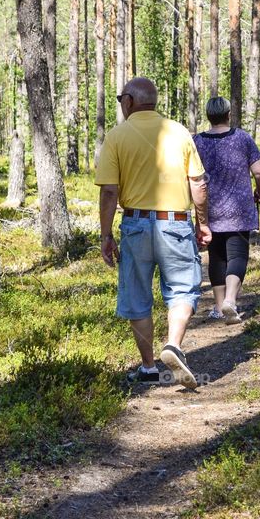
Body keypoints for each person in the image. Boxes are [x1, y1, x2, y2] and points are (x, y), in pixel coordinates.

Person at [95, 77, 211, 388]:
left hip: (134, 225)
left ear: (130, 101)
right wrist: (202, 223)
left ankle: (148, 366)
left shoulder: (117, 137)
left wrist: (106, 235)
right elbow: (198, 184)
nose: (121, 104)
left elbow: (109, 191)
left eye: (122, 99)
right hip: (174, 222)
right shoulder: (179, 132)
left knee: (137, 297)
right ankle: (172, 345)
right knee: (183, 288)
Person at [192, 97, 260, 324]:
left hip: (209, 208)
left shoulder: (197, 142)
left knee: (216, 256)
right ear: (228, 114)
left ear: (208, 116)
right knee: (237, 255)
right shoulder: (242, 138)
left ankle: (217, 305)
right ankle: (231, 301)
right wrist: (259, 191)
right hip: (239, 209)